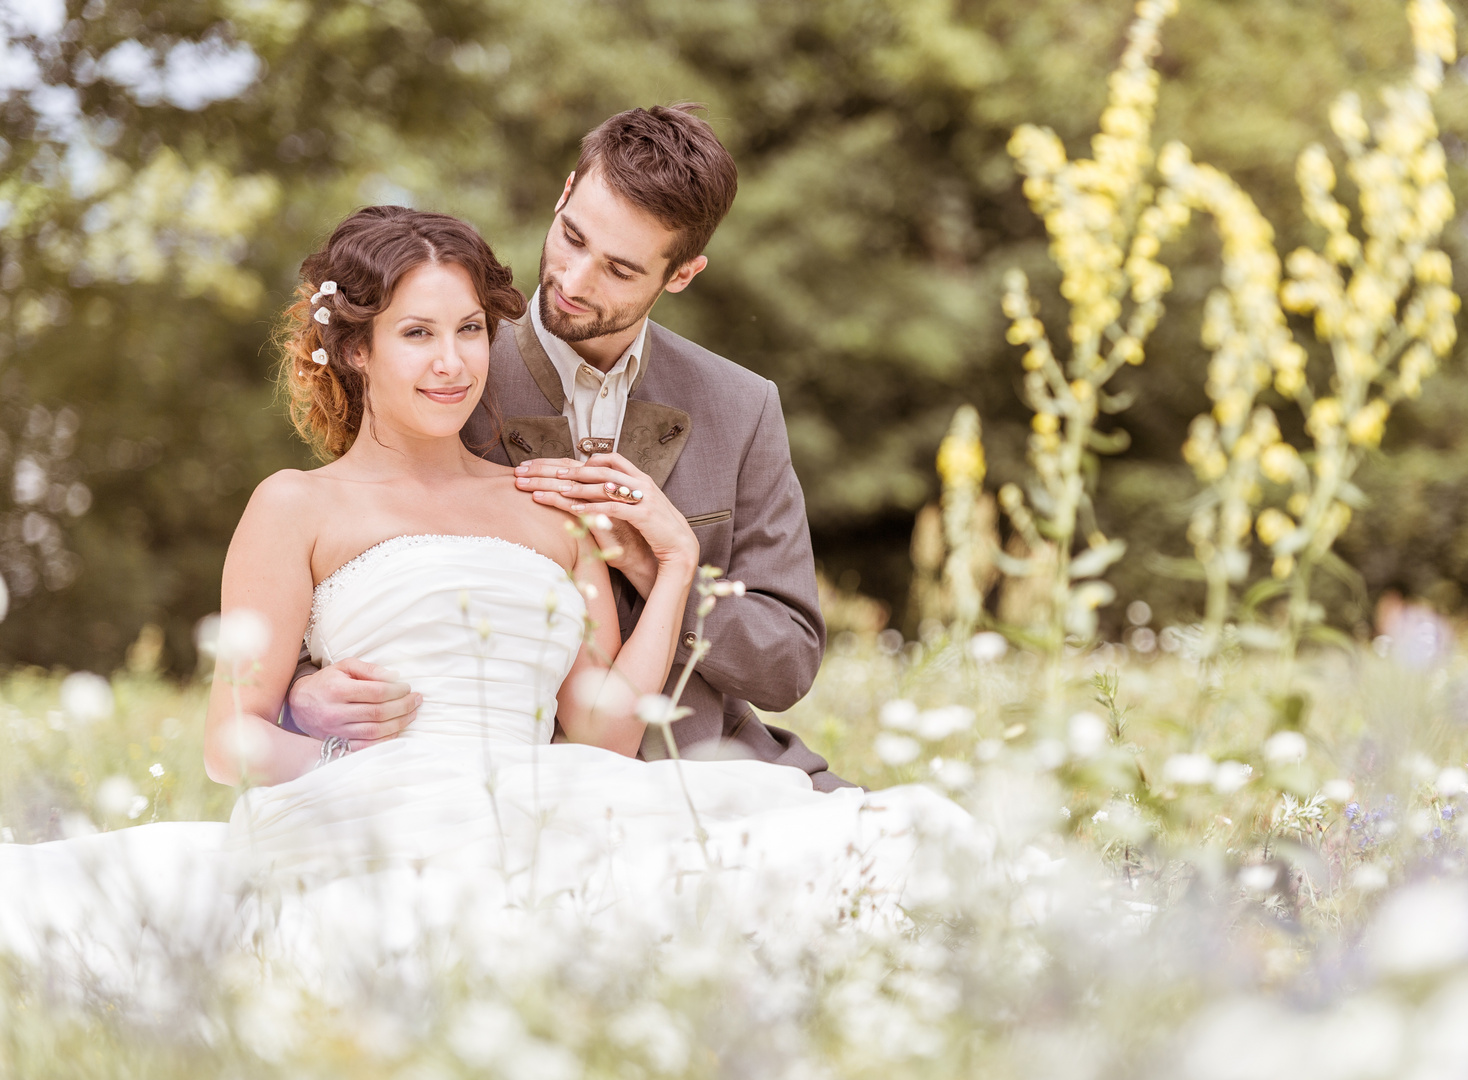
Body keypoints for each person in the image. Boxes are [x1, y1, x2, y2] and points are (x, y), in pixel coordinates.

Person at [0, 207, 973, 970]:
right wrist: (336, 745)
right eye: (416, 333)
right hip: (378, 805)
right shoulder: (296, 507)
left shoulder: (545, 503)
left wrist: (674, 566)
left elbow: (604, 733)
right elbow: (229, 738)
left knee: (878, 845)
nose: (453, 360)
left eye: (470, 329)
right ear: (353, 349)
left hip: (550, 791)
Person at [282, 105, 850, 790]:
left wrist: (654, 564)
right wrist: (301, 691)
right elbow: (343, 564)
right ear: (563, 194)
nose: (576, 282)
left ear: (682, 274)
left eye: (619, 269)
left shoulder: (742, 406)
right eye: (572, 237)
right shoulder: (443, 371)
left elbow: (787, 665)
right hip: (501, 782)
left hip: (712, 771)